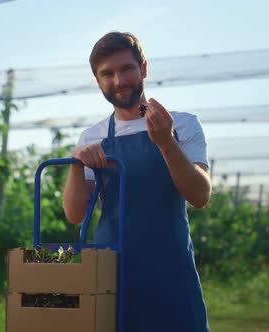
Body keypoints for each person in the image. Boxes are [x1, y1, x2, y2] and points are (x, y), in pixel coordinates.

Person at [62, 31, 211, 331]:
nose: (119, 80)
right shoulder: (93, 136)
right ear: (98, 81)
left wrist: (165, 143)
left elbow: (200, 195)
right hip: (110, 268)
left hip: (169, 265)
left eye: (126, 69)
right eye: (107, 74)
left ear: (143, 69)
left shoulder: (181, 124)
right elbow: (75, 215)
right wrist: (77, 163)